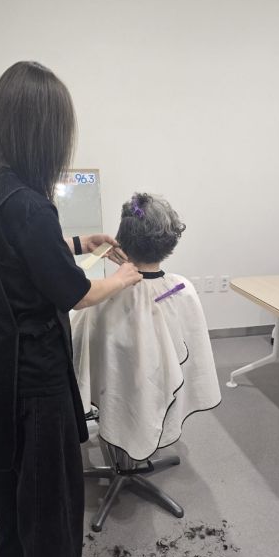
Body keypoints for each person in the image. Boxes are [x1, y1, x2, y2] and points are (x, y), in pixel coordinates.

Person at [0, 61, 142, 557]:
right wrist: (124, 277)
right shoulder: (30, 204)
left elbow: (20, 250)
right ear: (42, 130)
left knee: (10, 474)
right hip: (35, 377)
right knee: (53, 498)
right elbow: (75, 293)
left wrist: (79, 241)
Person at [71, 193, 221, 461]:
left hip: (114, 386)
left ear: (122, 239)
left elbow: (79, 345)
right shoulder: (183, 288)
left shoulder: (103, 293)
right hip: (157, 381)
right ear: (171, 242)